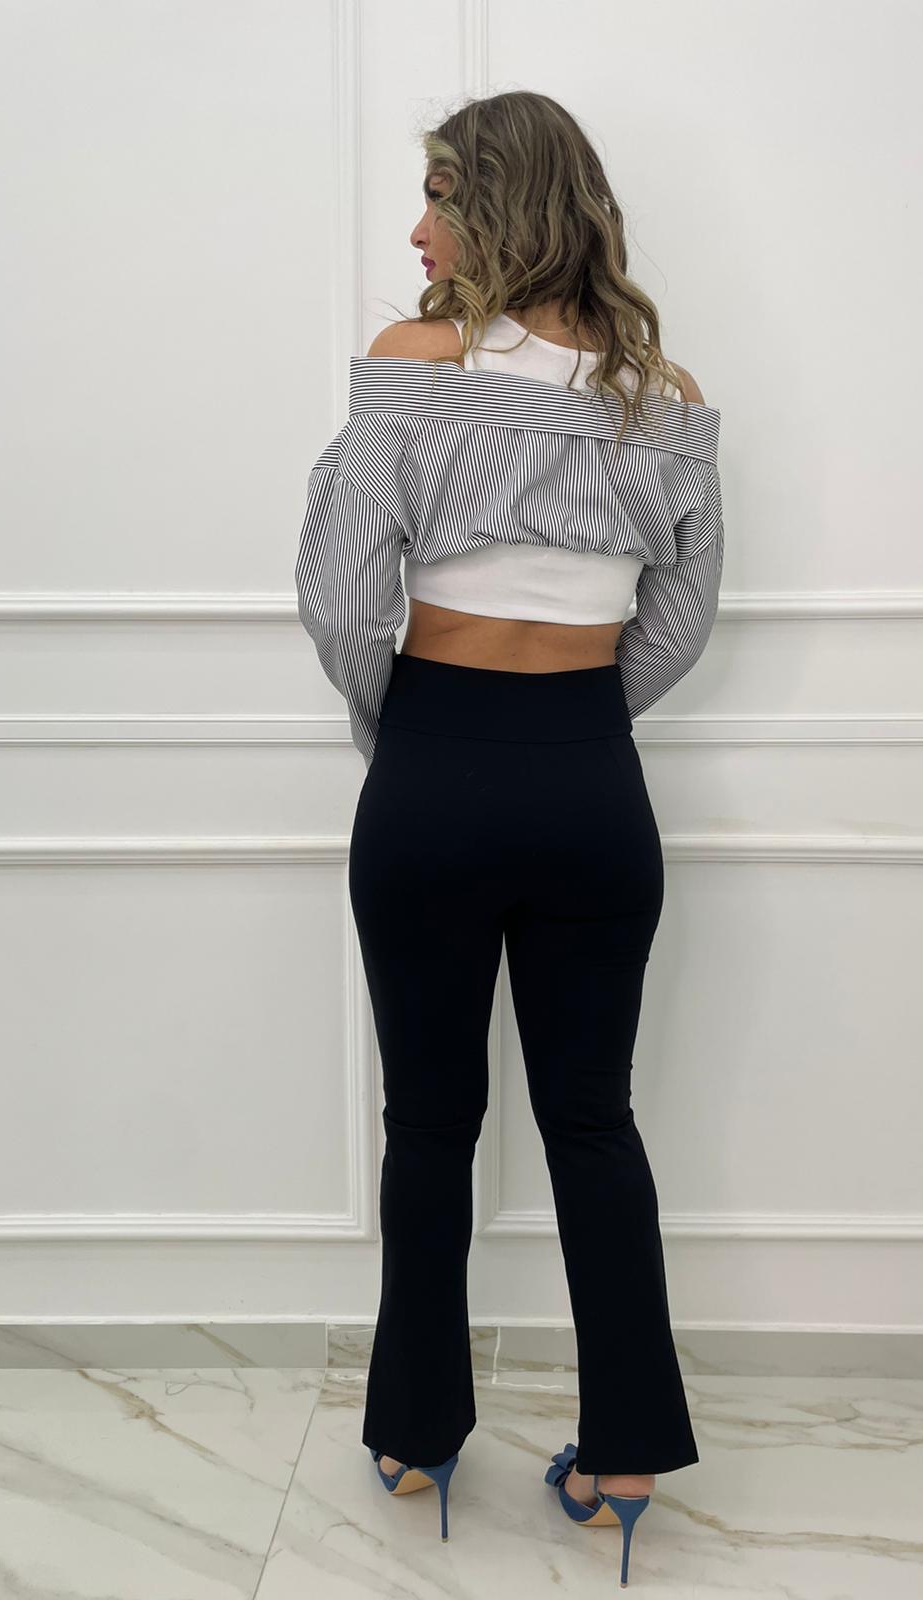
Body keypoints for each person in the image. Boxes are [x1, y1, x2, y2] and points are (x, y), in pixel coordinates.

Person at [295, 89, 723, 1586]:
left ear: (501, 208)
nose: (418, 229)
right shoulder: (659, 393)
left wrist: (407, 730)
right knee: (595, 1122)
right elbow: (681, 619)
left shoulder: (416, 366)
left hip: (436, 769)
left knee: (432, 1123)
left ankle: (416, 1438)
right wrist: (577, 728)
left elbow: (339, 592)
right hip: (593, 783)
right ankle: (625, 1457)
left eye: (439, 196)